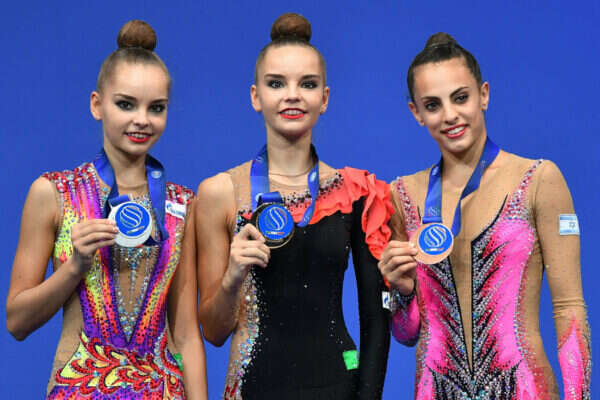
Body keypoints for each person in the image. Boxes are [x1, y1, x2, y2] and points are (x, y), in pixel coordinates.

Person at [378, 32, 591, 399]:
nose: (450, 115)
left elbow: (569, 308)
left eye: (461, 97)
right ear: (416, 112)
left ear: (484, 94)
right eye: (433, 105)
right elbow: (405, 333)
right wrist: (402, 292)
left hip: (524, 389)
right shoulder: (402, 195)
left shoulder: (538, 179)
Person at [190, 13, 391, 400]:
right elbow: (213, 332)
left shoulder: (356, 191)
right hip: (251, 387)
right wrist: (232, 276)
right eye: (276, 83)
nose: (292, 95)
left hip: (338, 384)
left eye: (307, 84)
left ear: (324, 98)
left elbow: (376, 323)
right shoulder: (220, 193)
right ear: (256, 96)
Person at [6, 20, 208, 399]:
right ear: (97, 105)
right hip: (79, 389)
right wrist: (75, 266)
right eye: (126, 104)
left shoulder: (182, 205)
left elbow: (185, 333)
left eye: (156, 108)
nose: (142, 119)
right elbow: (16, 322)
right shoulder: (53, 193)